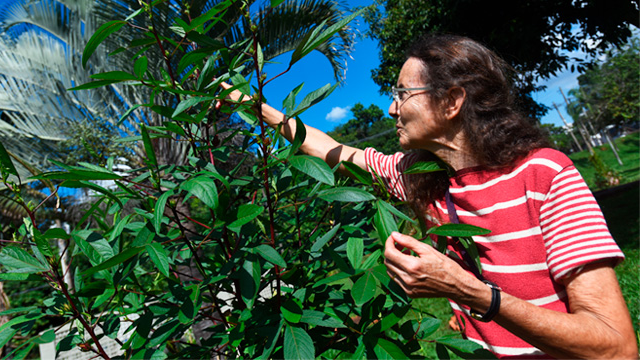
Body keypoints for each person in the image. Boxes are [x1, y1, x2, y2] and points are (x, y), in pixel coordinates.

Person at [219, 34, 637, 359]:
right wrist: (258, 107)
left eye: (401, 94)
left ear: (452, 100)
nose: (390, 109)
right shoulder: (422, 179)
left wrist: (470, 292)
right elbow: (329, 151)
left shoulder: (544, 174)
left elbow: (615, 348)